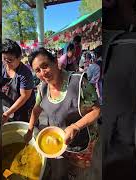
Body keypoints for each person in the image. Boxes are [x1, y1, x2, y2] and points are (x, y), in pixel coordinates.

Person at [24, 48, 100, 179]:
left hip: (81, 141)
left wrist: (75, 127)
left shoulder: (78, 82)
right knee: (67, 165)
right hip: (59, 141)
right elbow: (36, 109)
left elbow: (96, 110)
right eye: (37, 70)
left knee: (80, 168)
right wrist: (30, 129)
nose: (43, 73)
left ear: (55, 61)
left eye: (45, 66)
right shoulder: (42, 88)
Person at [1, 39, 35, 124]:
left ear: (19, 57)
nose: (7, 63)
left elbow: (24, 96)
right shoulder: (2, 67)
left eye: (10, 60)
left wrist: (7, 113)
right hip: (8, 107)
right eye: (4, 59)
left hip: (23, 109)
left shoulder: (25, 73)